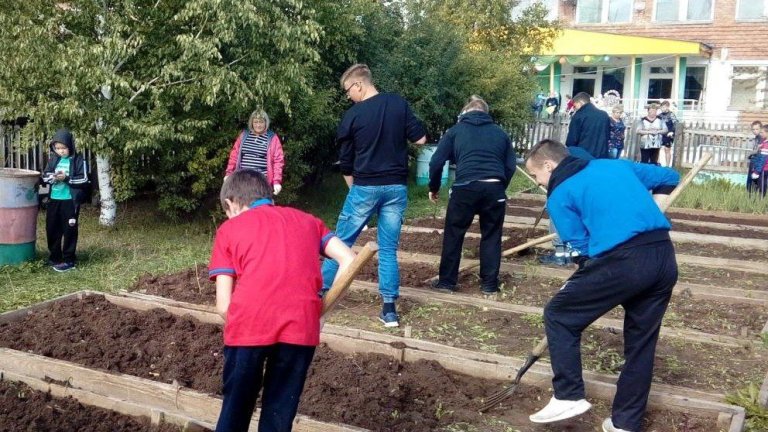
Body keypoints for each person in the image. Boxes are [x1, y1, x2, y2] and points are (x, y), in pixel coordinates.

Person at [524, 139, 680, 432]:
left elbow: (583, 251)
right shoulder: (614, 166)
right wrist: (655, 208)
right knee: (641, 345)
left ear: (549, 165)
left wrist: (578, 284)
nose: (538, 182)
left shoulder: (559, 195)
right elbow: (670, 177)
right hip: (662, 257)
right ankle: (625, 423)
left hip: (623, 262)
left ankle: (568, 395)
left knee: (559, 314)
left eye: (536, 176)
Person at [209, 169, 355, 432]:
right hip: (300, 329)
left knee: (235, 411)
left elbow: (222, 305)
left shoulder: (229, 229)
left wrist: (250, 322)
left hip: (248, 330)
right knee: (278, 415)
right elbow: (349, 260)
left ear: (231, 204)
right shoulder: (309, 221)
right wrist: (320, 314)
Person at [321, 63, 427, 328]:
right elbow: (421, 139)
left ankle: (318, 294)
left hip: (365, 187)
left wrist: (353, 189)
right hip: (396, 188)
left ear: (359, 85)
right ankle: (389, 310)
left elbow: (346, 163)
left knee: (339, 242)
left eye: (348, 90)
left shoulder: (353, 116)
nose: (348, 96)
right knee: (388, 249)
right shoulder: (398, 104)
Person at [427, 96, 516, 296]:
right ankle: (489, 285)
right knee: (492, 235)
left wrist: (434, 187)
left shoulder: (455, 131)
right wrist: (500, 186)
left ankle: (447, 283)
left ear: (465, 112)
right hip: (494, 189)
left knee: (454, 234)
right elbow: (510, 166)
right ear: (486, 113)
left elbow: (436, 162)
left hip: (465, 188)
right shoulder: (500, 134)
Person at [41, 128, 90, 272]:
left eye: (64, 148)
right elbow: (45, 176)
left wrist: (67, 178)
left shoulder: (78, 160)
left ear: (70, 146)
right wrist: (53, 178)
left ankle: (69, 260)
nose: (61, 151)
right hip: (54, 200)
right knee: (52, 229)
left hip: (70, 201)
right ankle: (55, 257)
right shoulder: (54, 159)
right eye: (57, 148)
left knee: (69, 230)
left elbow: (84, 179)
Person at [225, 109, 285, 196]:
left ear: (266, 123)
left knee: (258, 206)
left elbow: (278, 160)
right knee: (243, 205)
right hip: (243, 179)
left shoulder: (272, 138)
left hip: (261, 181)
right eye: (255, 122)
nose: (258, 125)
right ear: (251, 123)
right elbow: (234, 155)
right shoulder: (244, 135)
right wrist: (229, 173)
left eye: (261, 122)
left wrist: (277, 181)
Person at [565, 92, 610, 159]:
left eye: (575, 106)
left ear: (580, 103)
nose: (575, 109)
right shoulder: (604, 115)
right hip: (601, 156)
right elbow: (607, 135)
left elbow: (571, 140)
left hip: (583, 156)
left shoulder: (579, 116)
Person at [748, 125, 768, 198]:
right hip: (762, 168)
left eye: (762, 132)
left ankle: (761, 202)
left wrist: (757, 172)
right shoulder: (764, 143)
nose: (761, 134)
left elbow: (762, 159)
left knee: (762, 186)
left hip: (763, 169)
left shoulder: (766, 145)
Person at [658, 101, 678, 167]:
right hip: (661, 134)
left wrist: (672, 131)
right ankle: (658, 163)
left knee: (667, 149)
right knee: (657, 148)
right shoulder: (660, 115)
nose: (662, 108)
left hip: (668, 134)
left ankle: (667, 166)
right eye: (661, 107)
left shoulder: (671, 114)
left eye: (663, 107)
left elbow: (675, 124)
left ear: (667, 107)